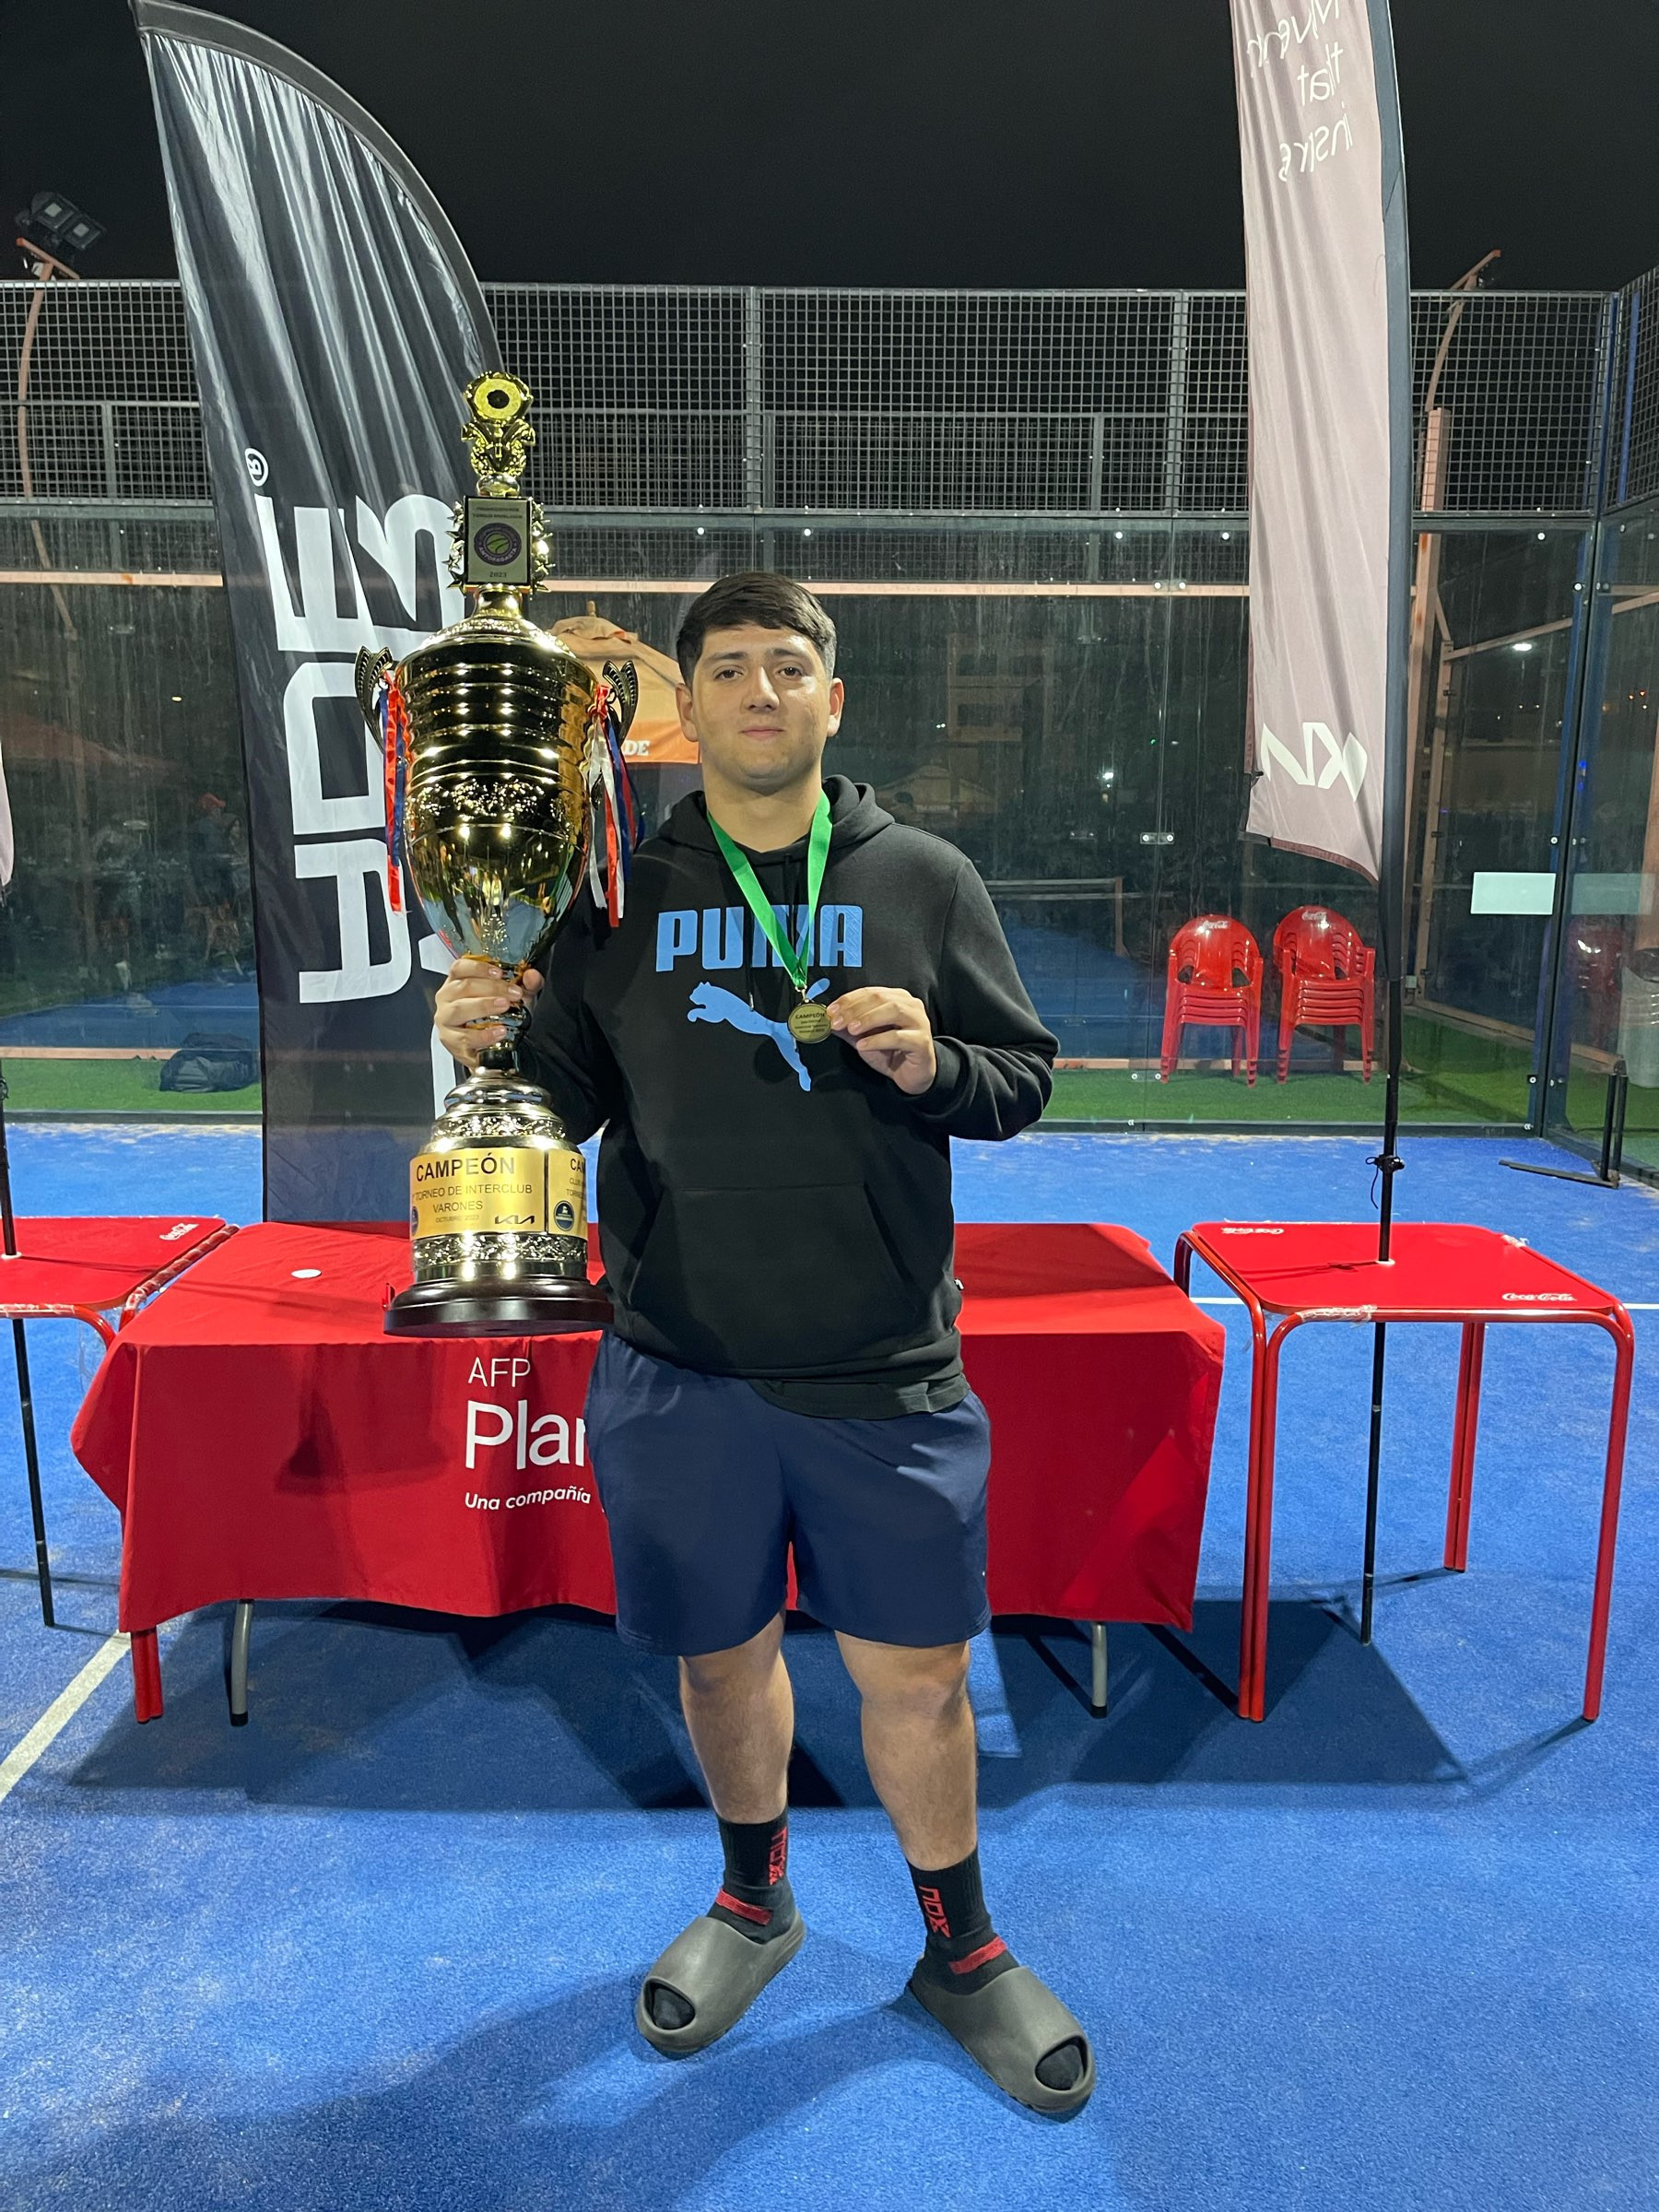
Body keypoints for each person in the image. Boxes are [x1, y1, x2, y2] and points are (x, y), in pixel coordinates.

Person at [433, 571, 1092, 2114]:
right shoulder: (613, 894)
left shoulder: (922, 874)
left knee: (919, 1678)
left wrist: (935, 1061)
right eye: (726, 667)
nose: (758, 692)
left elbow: (1021, 1079)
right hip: (680, 1362)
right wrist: (487, 1045)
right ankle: (755, 1902)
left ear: (830, 699)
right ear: (691, 702)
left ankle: (963, 1949)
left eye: (787, 665)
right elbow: (561, 1102)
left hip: (881, 1362)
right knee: (721, 1667)